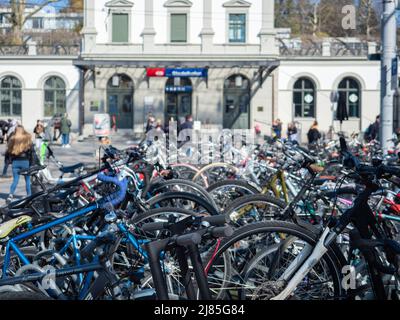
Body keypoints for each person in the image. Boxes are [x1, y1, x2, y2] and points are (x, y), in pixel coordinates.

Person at [6, 126, 36, 203]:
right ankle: (29, 196)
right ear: (23, 130)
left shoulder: (12, 139)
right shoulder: (27, 139)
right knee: (27, 180)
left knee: (15, 180)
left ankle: (10, 195)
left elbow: (8, 153)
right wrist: (33, 163)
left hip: (15, 162)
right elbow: (32, 152)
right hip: (25, 162)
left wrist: (8, 162)